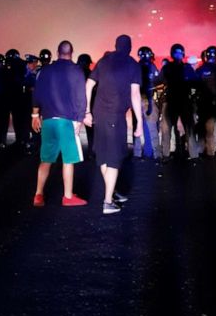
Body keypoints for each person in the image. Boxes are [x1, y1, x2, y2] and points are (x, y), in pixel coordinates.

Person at [85, 35, 142, 215]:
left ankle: (112, 191)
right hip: (115, 117)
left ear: (115, 46)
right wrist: (139, 122)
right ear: (130, 47)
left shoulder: (104, 61)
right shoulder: (133, 64)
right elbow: (135, 95)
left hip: (98, 116)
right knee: (114, 158)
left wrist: (86, 111)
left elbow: (88, 84)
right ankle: (108, 202)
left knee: (103, 155)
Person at [31, 40, 88, 208]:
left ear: (57, 52)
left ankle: (38, 194)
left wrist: (35, 115)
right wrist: (79, 119)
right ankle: (68, 196)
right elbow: (81, 96)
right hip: (66, 121)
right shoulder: (76, 70)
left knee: (45, 159)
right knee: (68, 160)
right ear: (72, 52)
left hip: (48, 120)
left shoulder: (46, 70)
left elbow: (38, 93)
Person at [159, 43, 200, 161]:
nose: (178, 55)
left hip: (184, 102)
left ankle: (194, 155)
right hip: (171, 101)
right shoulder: (167, 68)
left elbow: (196, 83)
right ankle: (166, 155)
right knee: (166, 129)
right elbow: (158, 82)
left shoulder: (187, 68)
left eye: (180, 52)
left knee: (190, 129)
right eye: (176, 52)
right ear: (172, 54)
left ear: (183, 54)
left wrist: (193, 97)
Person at [133, 46, 161, 159]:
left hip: (136, 100)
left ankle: (137, 154)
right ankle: (157, 154)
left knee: (137, 128)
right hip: (148, 100)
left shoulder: (135, 66)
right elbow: (158, 81)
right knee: (153, 129)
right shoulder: (152, 66)